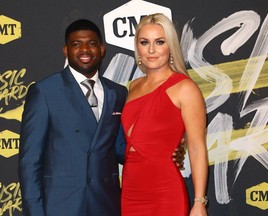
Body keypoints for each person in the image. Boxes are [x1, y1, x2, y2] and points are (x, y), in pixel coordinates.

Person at [18, 19, 185, 216]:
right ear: (65, 50)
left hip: (106, 204)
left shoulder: (118, 93)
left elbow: (122, 149)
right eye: (76, 44)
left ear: (102, 49)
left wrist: (164, 149)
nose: (85, 50)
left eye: (91, 43)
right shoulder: (45, 92)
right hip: (61, 206)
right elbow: (30, 162)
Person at [121, 13, 208, 216]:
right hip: (130, 190)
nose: (151, 50)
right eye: (144, 42)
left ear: (170, 47)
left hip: (164, 191)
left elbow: (196, 147)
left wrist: (199, 202)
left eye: (159, 42)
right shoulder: (133, 86)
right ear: (138, 48)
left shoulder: (185, 88)